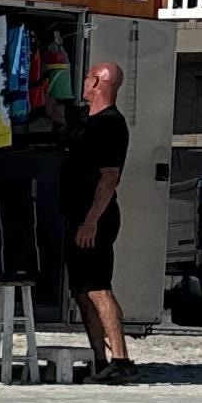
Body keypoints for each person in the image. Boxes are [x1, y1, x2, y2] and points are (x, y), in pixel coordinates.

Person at [61, 58, 135, 382]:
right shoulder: (85, 119)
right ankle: (99, 359)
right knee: (81, 290)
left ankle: (121, 359)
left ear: (97, 83)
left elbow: (109, 178)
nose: (84, 82)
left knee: (98, 287)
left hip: (96, 219)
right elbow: (53, 110)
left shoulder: (111, 125)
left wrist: (91, 220)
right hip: (76, 215)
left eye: (88, 77)